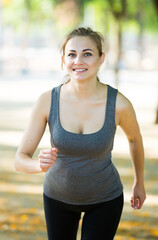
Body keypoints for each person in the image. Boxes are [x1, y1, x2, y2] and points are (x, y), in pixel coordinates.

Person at [14, 27, 146, 240]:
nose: (79, 61)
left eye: (87, 54)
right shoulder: (47, 101)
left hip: (105, 198)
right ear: (63, 60)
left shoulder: (119, 104)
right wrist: (39, 165)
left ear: (101, 59)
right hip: (57, 198)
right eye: (72, 54)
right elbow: (20, 160)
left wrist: (139, 182)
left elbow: (134, 139)